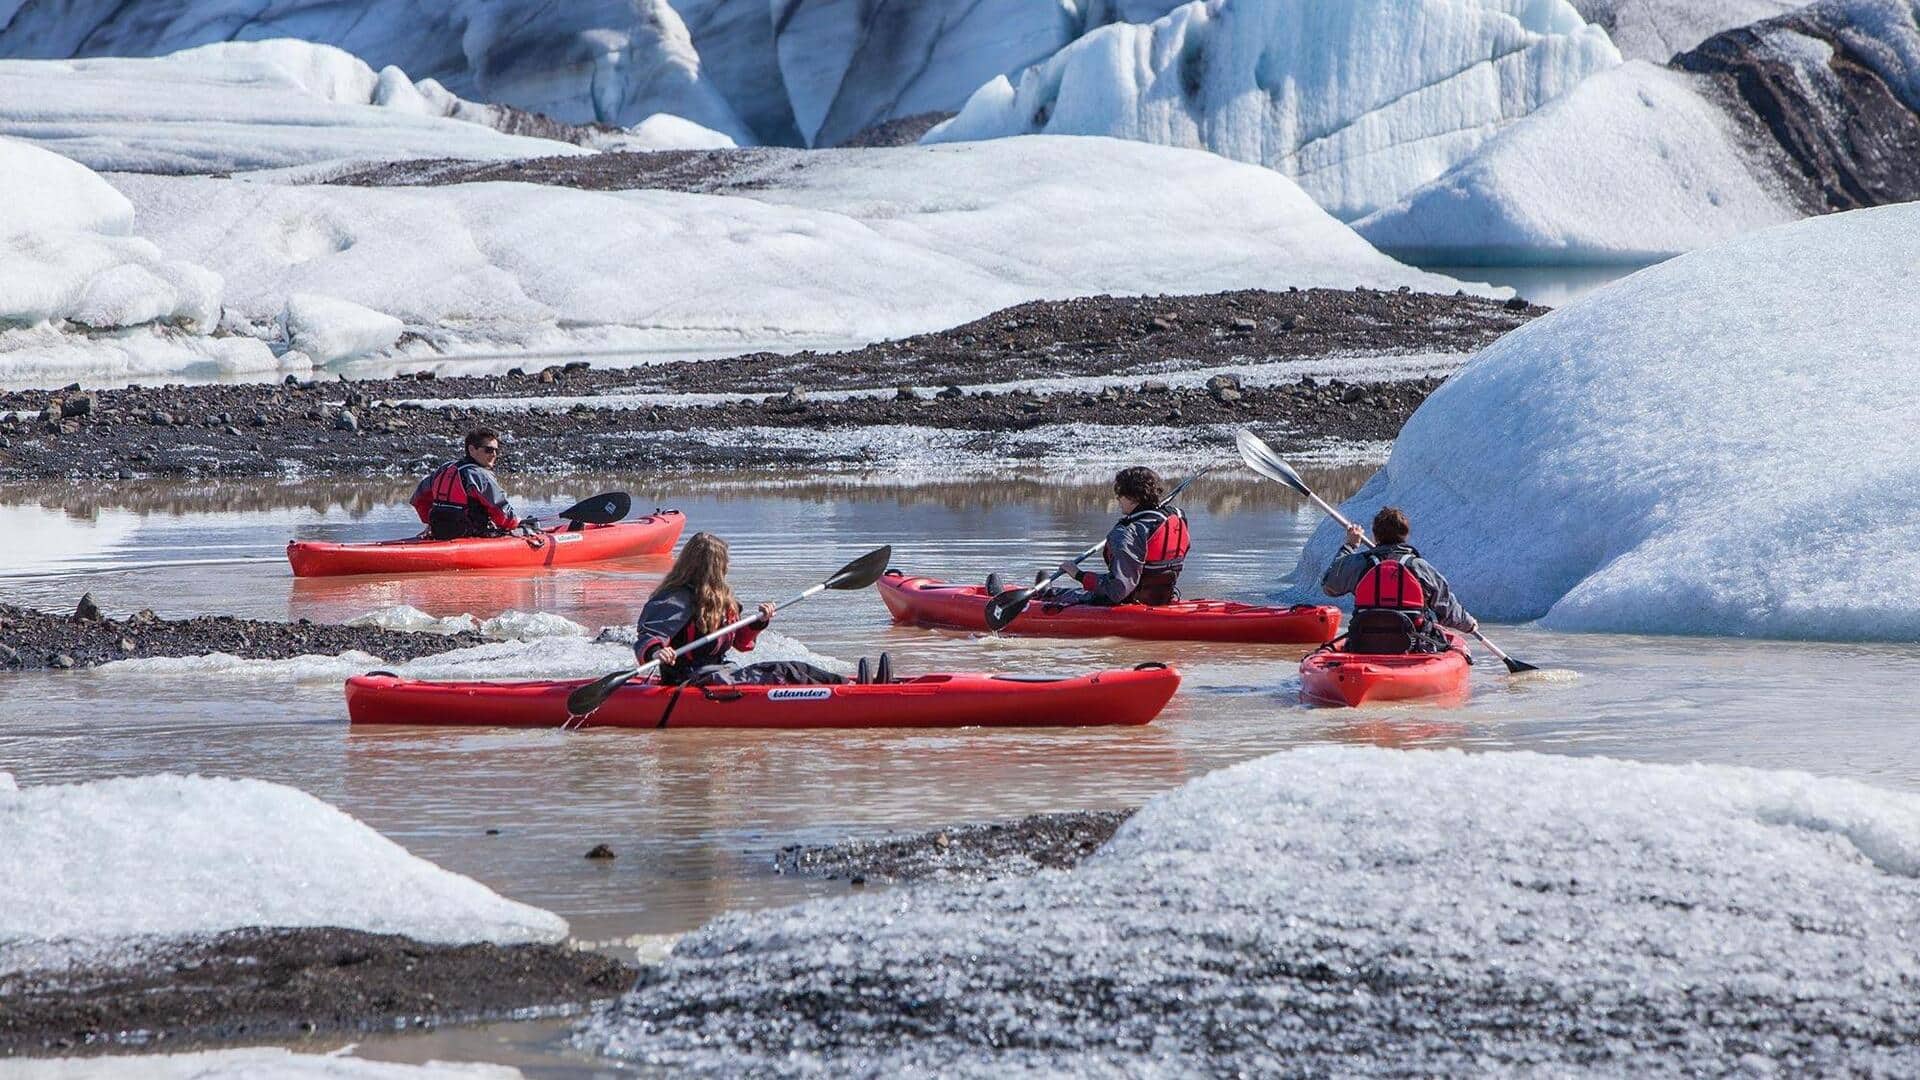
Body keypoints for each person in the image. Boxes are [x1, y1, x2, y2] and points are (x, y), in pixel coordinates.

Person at [637, 532, 862, 686]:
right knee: (784, 672)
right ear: (713, 566)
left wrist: (758, 622)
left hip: (719, 672)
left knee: (795, 668)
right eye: (725, 561)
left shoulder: (722, 600)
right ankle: (851, 690)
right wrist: (658, 652)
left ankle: (854, 684)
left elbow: (740, 644)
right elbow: (648, 637)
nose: (729, 565)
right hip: (690, 680)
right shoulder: (675, 599)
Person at [1320, 506, 1476, 654]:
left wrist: (1350, 545)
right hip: (1413, 645)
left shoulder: (1361, 564)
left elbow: (1329, 585)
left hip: (1365, 643)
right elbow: (1448, 610)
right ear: (1405, 535)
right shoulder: (1419, 567)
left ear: (1375, 535)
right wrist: (1470, 625)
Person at [1052, 466, 1192, 606]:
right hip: (1162, 598)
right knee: (1072, 592)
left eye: (1121, 494)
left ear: (1133, 497)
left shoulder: (1127, 532)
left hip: (1131, 602)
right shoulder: (1177, 516)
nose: (1118, 498)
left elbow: (1117, 590)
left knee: (1062, 596)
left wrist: (1079, 575)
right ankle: (1050, 592)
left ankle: (1046, 594)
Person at [410, 428, 529, 540]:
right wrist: (515, 522)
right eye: (488, 450)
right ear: (471, 449)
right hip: (470, 535)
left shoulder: (445, 468)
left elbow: (418, 499)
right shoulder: (479, 475)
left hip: (438, 533)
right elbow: (500, 510)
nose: (494, 454)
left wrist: (430, 523)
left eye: (496, 450)